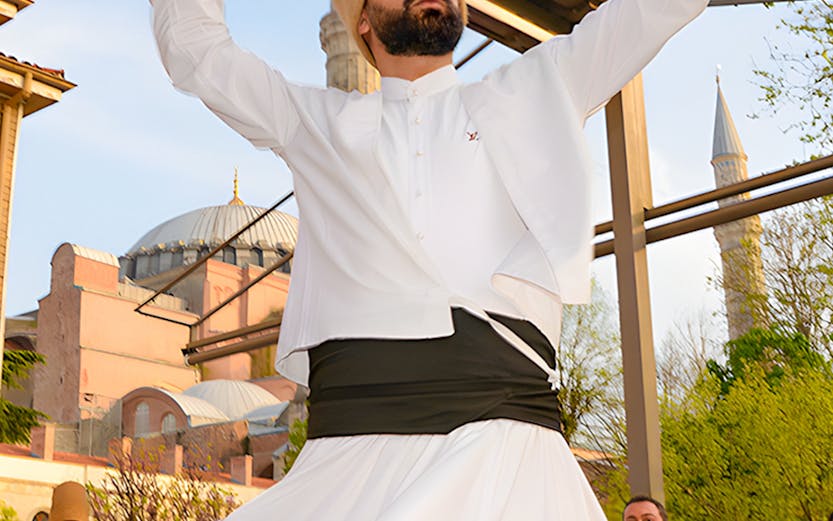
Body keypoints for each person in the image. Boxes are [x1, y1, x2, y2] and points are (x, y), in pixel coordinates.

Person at [151, 0, 706, 518]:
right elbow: (198, 53)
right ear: (362, 21)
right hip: (348, 460)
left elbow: (646, 10)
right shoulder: (313, 123)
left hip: (504, 450)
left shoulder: (538, 88)